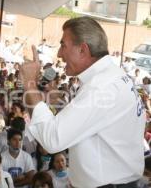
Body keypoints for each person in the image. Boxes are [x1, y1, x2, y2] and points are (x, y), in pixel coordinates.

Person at [20, 16, 145, 187]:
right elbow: (93, 124)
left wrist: (29, 84)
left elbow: (52, 140)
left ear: (83, 50)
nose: (59, 54)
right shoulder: (114, 76)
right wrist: (58, 103)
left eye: (63, 45)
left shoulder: (100, 87)